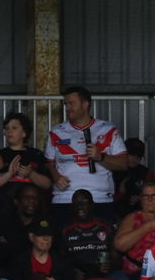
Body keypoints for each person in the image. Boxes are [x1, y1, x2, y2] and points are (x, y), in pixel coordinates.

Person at [45, 86, 128, 226]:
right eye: (66, 104)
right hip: (64, 198)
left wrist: (101, 157)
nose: (67, 108)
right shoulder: (56, 131)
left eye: (72, 103)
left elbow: (123, 163)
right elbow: (48, 162)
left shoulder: (108, 129)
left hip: (99, 199)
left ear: (85, 104)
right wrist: (56, 176)